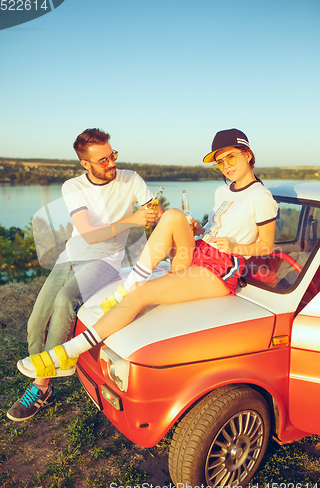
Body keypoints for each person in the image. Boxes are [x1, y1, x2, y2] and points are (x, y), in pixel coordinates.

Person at [17, 128, 278, 379]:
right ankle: (127, 288)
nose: (226, 166)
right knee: (175, 215)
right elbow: (214, 227)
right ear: (86, 164)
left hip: (219, 268)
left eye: (231, 157)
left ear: (248, 154)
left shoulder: (261, 196)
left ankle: (66, 353)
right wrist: (198, 228)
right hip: (198, 249)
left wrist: (235, 248)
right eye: (219, 162)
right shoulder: (222, 191)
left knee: (135, 294)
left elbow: (266, 245)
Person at [7, 128, 163, 421]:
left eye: (112, 155)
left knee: (66, 301)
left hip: (106, 259)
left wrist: (162, 217)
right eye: (102, 160)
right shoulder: (73, 186)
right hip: (72, 255)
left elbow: (157, 212)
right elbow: (90, 235)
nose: (111, 164)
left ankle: (41, 387)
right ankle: (45, 372)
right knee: (37, 318)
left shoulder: (131, 179)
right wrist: (132, 219)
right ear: (85, 164)